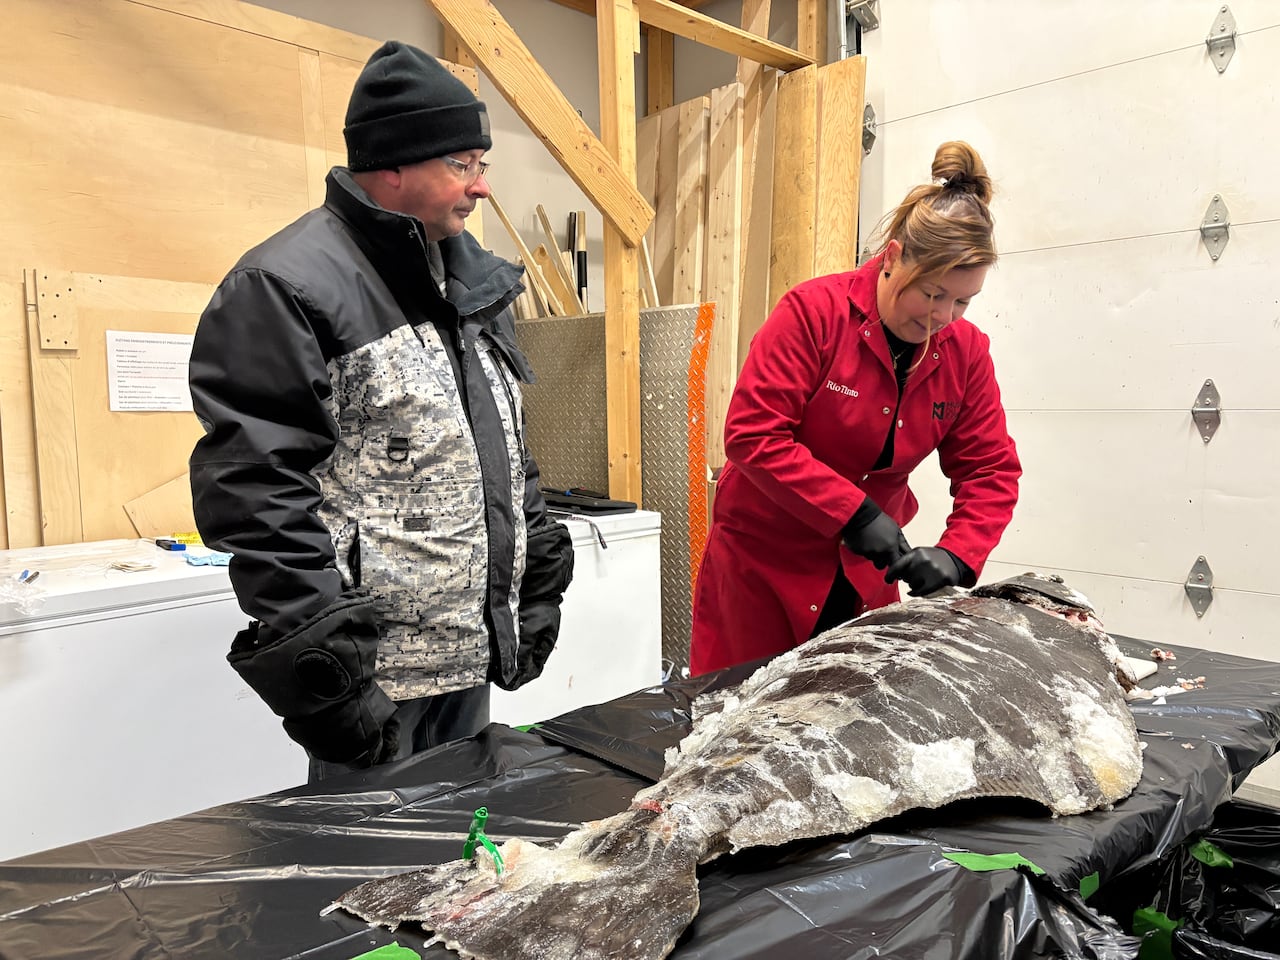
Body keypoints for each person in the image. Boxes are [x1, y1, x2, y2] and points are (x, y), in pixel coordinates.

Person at [188, 41, 573, 781]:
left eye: (481, 164)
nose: (482, 187)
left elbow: (504, 449)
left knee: (464, 868)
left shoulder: (471, 283)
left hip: (463, 659)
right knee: (369, 880)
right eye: (463, 163)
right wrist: (325, 673)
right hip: (375, 678)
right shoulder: (286, 285)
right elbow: (258, 491)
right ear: (392, 165)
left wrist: (535, 582)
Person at [689, 141, 1020, 675]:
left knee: (845, 722)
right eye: (932, 295)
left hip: (867, 576)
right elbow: (754, 435)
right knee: (738, 724)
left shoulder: (966, 352)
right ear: (892, 258)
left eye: (963, 301)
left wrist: (959, 553)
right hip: (763, 571)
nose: (944, 318)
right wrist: (854, 512)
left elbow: (990, 470)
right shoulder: (813, 314)